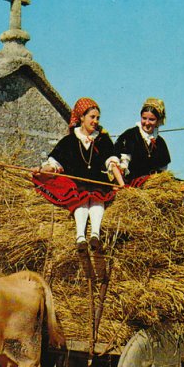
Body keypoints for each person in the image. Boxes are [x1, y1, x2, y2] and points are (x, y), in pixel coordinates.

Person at [33, 97, 124, 252]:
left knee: (97, 200)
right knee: (80, 200)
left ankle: (95, 235)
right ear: (82, 117)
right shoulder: (69, 141)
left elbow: (112, 163)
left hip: (97, 182)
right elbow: (55, 165)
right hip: (77, 183)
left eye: (97, 118)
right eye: (92, 117)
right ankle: (80, 237)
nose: (95, 121)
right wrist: (42, 171)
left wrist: (121, 184)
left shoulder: (103, 140)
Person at [113, 97, 172, 186]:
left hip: (154, 185)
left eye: (151, 119)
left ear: (158, 121)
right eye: (144, 118)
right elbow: (122, 165)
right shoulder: (131, 135)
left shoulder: (160, 142)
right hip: (133, 183)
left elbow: (163, 170)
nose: (147, 123)